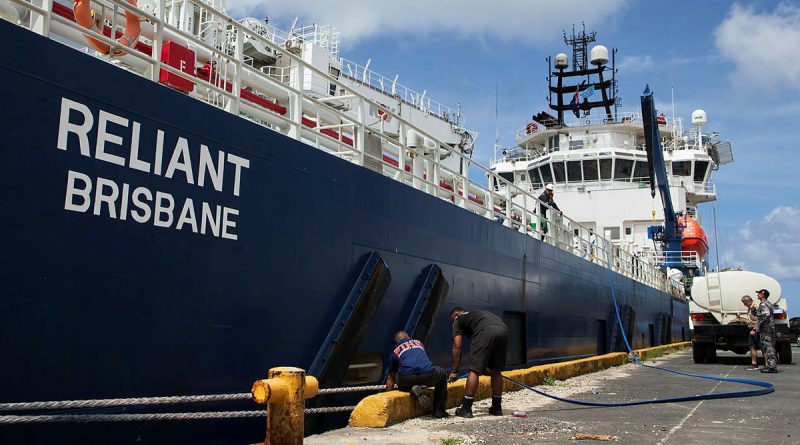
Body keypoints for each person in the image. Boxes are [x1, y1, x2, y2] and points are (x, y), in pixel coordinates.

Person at [448, 308, 509, 418]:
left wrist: (454, 371)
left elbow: (457, 348)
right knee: (496, 371)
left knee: (474, 370)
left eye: (451, 321)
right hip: (503, 329)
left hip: (485, 331)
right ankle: (496, 408)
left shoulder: (458, 320)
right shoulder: (475, 315)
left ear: (456, 315)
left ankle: (466, 409)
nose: (452, 324)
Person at [385, 331, 449, 418]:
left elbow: (390, 379)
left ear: (396, 342)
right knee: (441, 374)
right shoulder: (418, 343)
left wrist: (388, 398)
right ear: (408, 336)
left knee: (401, 382)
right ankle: (439, 411)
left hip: (407, 377)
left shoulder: (395, 352)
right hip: (427, 374)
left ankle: (411, 389)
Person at [754, 289, 778, 373]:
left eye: (759, 293)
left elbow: (766, 314)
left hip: (766, 329)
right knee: (771, 347)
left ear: (763, 294)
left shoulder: (763, 304)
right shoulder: (769, 303)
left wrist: (759, 324)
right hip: (770, 328)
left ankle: (772, 367)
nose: (757, 295)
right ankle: (771, 365)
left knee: (768, 347)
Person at [741, 295, 760, 371]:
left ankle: (766, 364)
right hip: (752, 329)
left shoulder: (755, 308)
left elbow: (759, 319)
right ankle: (754, 364)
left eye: (744, 303)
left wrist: (754, 329)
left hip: (756, 330)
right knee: (752, 346)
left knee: (762, 347)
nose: (744, 304)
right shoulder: (750, 308)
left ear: (748, 301)